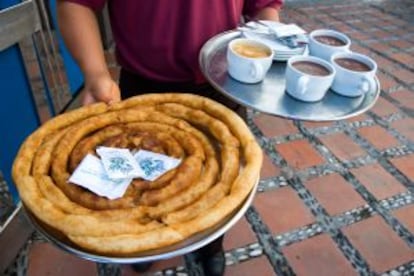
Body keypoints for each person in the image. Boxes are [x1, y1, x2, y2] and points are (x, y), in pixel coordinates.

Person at [57, 1, 283, 275]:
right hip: (142, 90)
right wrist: (96, 74)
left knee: (220, 187)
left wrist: (273, 47)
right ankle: (143, 244)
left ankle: (211, 247)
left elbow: (263, 6)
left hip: (222, 84)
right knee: (138, 185)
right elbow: (76, 3)